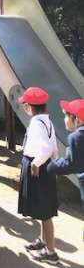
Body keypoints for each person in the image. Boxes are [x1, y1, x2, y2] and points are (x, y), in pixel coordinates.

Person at [18, 87, 59, 264]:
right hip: (46, 167)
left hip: (38, 167)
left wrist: (36, 163)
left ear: (29, 106)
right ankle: (43, 241)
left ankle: (51, 252)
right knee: (43, 210)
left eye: (24, 104)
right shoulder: (47, 121)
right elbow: (53, 147)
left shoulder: (36, 123)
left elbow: (47, 148)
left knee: (45, 212)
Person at [47, 99, 84, 235]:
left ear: (78, 120)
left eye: (67, 116)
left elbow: (71, 164)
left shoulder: (76, 137)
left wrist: (51, 166)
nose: (64, 119)